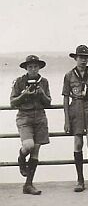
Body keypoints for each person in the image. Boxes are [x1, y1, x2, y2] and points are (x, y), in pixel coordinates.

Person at [62, 45, 88, 192]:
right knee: (78, 143)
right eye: (81, 57)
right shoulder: (69, 75)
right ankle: (80, 180)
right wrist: (66, 120)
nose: (83, 60)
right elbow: (66, 98)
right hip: (76, 109)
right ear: (75, 58)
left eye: (86, 58)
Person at [10, 55, 51, 195]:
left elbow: (48, 102)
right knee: (28, 145)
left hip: (40, 116)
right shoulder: (19, 82)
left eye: (35, 67)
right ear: (26, 68)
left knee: (36, 150)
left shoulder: (44, 82)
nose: (33, 69)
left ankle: (28, 184)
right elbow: (12, 102)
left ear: (39, 68)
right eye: (30, 67)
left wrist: (42, 94)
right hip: (25, 116)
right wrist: (24, 95)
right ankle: (21, 157)